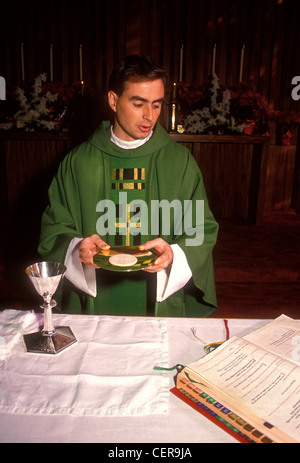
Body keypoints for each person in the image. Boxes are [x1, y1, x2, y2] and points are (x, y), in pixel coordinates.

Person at [38, 55, 218, 317]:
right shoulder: (78, 162)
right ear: (113, 100)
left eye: (157, 105)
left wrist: (175, 255)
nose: (149, 116)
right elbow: (54, 228)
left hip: (160, 301)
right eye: (138, 103)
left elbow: (201, 229)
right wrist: (78, 248)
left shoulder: (179, 162)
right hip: (95, 301)